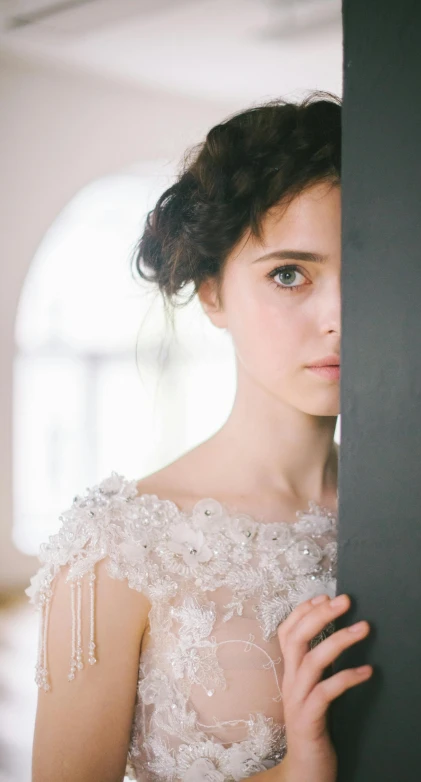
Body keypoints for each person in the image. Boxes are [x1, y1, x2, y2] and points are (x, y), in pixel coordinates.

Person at [26, 91, 373, 782]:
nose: (340, 315)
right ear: (211, 293)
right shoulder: (118, 550)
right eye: (288, 274)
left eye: (365, 272)